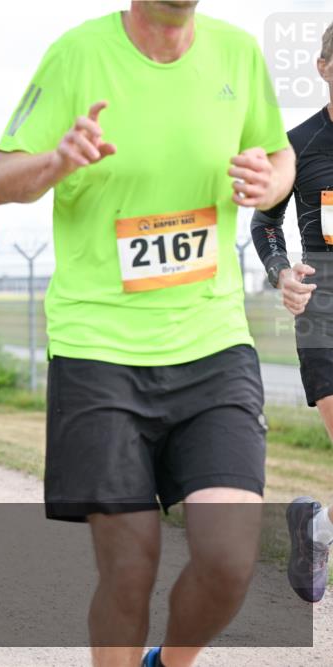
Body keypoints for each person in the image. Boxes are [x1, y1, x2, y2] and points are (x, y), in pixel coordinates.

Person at [0, 3, 295, 666]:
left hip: (213, 342)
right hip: (99, 348)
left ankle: (169, 661)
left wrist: (273, 179)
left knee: (230, 557)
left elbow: (280, 151)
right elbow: (0, 176)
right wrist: (57, 159)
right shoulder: (77, 53)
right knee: (129, 564)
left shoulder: (237, 53)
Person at [249, 22, 333, 605]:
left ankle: (317, 527)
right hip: (323, 300)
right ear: (324, 67)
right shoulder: (298, 143)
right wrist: (281, 270)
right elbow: (263, 221)